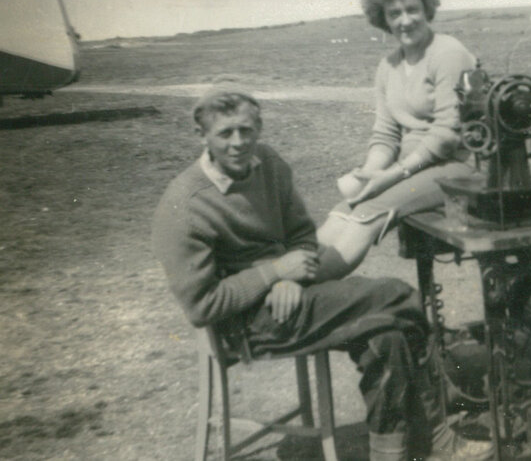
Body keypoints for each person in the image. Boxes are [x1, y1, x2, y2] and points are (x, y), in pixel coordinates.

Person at [151, 91, 491, 460]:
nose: (238, 143)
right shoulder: (185, 204)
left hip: (292, 294)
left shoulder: (268, 163)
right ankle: (436, 439)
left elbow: (301, 234)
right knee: (398, 296)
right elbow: (202, 305)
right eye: (225, 133)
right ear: (202, 135)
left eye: (246, 130)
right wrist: (275, 272)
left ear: (259, 128)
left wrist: (288, 278)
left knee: (387, 338)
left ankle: (398, 452)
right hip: (245, 323)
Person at [316, 0, 477, 275]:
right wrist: (370, 174)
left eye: (412, 9)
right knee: (343, 211)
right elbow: (386, 135)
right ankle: (282, 280)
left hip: (456, 167)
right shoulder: (388, 66)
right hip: (411, 169)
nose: (405, 21)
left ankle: (307, 292)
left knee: (370, 214)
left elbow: (446, 135)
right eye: (394, 14)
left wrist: (391, 177)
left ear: (427, 9)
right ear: (383, 19)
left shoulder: (448, 54)